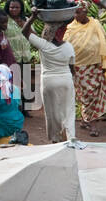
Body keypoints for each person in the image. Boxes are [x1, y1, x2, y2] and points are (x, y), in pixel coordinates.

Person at [64, 2, 106, 135]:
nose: (76, 15)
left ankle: (89, 121)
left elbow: (104, 43)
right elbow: (66, 46)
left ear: (85, 12)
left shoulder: (95, 25)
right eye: (75, 12)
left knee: (94, 94)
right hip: (78, 68)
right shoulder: (70, 28)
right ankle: (89, 121)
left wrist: (105, 64)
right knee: (85, 95)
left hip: (94, 66)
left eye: (79, 12)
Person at [23, 14, 76, 143]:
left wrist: (33, 16)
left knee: (52, 112)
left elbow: (25, 31)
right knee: (68, 111)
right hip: (66, 80)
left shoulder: (43, 45)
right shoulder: (69, 47)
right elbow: (72, 69)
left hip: (49, 81)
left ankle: (55, 138)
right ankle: (70, 136)